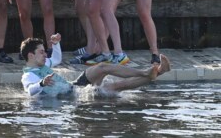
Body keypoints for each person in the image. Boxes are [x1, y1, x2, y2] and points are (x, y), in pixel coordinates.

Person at [20, 34, 171, 97]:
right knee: (116, 86)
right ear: (30, 56)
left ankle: (147, 72)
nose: (45, 54)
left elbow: (57, 58)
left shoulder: (43, 64)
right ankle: (159, 72)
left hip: (75, 86)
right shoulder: (28, 75)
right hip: (75, 96)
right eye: (41, 52)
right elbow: (29, 91)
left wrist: (56, 43)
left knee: (103, 67)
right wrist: (41, 83)